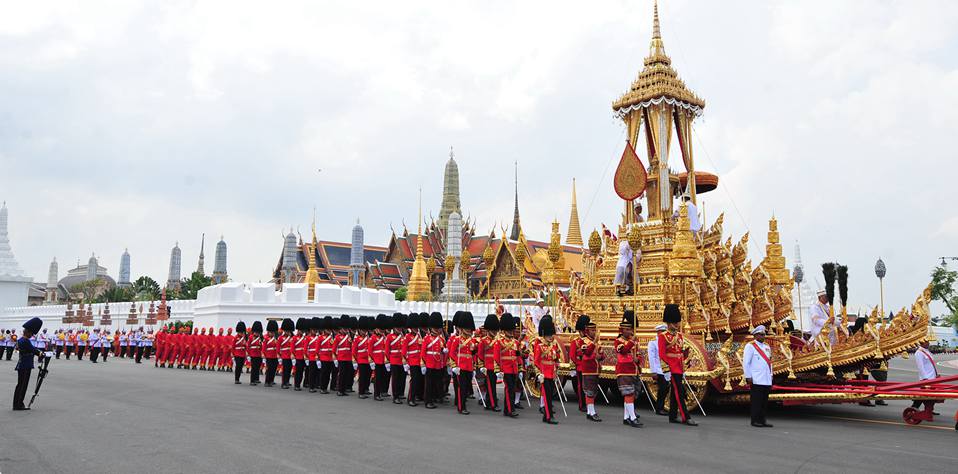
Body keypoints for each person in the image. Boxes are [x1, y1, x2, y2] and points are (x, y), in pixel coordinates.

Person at [659, 304, 697, 426]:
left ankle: (672, 415)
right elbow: (662, 354)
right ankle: (686, 416)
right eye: (675, 322)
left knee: (676, 392)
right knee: (679, 392)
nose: (677, 324)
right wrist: (667, 369)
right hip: (672, 368)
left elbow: (680, 352)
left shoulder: (679, 336)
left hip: (679, 367)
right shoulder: (663, 336)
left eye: (677, 322)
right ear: (669, 323)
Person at [615, 311, 643, 427]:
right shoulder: (618, 341)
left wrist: (638, 359)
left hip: (633, 369)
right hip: (624, 370)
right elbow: (624, 350)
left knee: (631, 393)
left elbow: (639, 353)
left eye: (630, 329)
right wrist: (632, 342)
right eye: (626, 329)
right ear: (622, 330)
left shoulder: (634, 340)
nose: (629, 331)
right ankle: (632, 417)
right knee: (629, 393)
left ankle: (626, 416)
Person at [743, 325, 773, 428]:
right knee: (757, 401)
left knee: (764, 402)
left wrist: (771, 375)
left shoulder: (767, 347)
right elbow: (746, 362)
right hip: (756, 378)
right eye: (761, 334)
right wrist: (748, 376)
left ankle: (762, 420)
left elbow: (770, 362)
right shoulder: (750, 346)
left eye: (764, 334)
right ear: (755, 335)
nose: (763, 336)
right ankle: (755, 420)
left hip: (766, 378)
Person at [449, 312, 477, 415]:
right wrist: (454, 366)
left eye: (470, 328)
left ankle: (463, 405)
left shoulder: (471, 341)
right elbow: (452, 353)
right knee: (462, 387)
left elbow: (472, 355)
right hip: (460, 367)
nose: (469, 330)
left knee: (466, 389)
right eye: (467, 328)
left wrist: (473, 367)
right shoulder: (457, 340)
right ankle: (461, 407)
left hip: (469, 367)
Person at [534, 315, 561, 425]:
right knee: (547, 396)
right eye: (549, 334)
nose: (551, 337)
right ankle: (549, 416)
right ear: (544, 334)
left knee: (550, 396)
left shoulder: (553, 346)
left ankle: (546, 416)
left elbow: (555, 360)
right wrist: (538, 374)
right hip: (544, 375)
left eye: (551, 334)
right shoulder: (540, 346)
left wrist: (556, 369)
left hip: (551, 374)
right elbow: (536, 361)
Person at [13, 318, 43, 410]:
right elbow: (33, 350)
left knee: (20, 385)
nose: (32, 335)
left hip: (22, 364)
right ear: (28, 332)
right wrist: (41, 353)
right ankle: (19, 404)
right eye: (31, 333)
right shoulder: (26, 341)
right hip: (26, 365)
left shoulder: (21, 340)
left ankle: (16, 404)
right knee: (23, 385)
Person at [495, 313, 520, 418]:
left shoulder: (515, 342)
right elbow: (496, 357)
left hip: (514, 368)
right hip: (505, 368)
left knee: (512, 389)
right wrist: (498, 370)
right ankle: (510, 409)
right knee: (509, 389)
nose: (511, 332)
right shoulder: (499, 342)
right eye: (509, 330)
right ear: (504, 330)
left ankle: (507, 409)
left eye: (512, 330)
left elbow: (517, 356)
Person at [420, 313, 446, 409]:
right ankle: (428, 400)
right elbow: (423, 352)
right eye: (437, 328)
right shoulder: (427, 338)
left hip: (438, 363)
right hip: (429, 363)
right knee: (429, 384)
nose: (439, 329)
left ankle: (435, 397)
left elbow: (442, 349)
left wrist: (444, 350)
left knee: (437, 382)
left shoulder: (441, 339)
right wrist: (423, 364)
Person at [477, 314, 500, 412]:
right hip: (487, 366)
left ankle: (488, 402)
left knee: (492, 385)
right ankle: (492, 404)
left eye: (495, 330)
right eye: (493, 330)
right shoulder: (483, 341)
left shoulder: (498, 341)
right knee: (490, 386)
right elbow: (480, 355)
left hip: (495, 366)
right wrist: (482, 366)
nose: (495, 332)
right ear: (488, 330)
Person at [648, 324, 671, 416]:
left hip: (668, 369)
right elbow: (652, 358)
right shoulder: (653, 343)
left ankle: (663, 406)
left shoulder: (668, 342)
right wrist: (653, 371)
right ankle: (659, 408)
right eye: (661, 332)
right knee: (663, 388)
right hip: (658, 369)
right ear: (658, 332)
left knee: (667, 389)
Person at [402, 313, 424, 406]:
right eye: (414, 327)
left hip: (419, 361)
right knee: (414, 380)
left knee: (418, 380)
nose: (416, 328)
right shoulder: (407, 337)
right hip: (412, 361)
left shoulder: (419, 336)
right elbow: (404, 351)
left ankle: (415, 396)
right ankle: (410, 398)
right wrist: (405, 362)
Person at [568, 315, 589, 413]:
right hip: (581, 366)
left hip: (589, 366)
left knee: (588, 386)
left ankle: (589, 403)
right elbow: (572, 355)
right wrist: (578, 363)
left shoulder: (590, 340)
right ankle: (582, 404)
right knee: (581, 386)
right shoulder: (575, 342)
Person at [911, 340, 938, 412]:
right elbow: (920, 367)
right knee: (923, 396)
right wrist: (924, 378)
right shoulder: (919, 352)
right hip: (927, 378)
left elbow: (930, 365)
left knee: (931, 396)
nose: (928, 343)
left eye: (928, 342)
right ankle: (913, 408)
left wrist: (936, 374)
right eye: (926, 342)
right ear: (921, 343)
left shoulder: (927, 351)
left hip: (932, 377)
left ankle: (929, 410)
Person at [387, 313, 406, 404]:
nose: (399, 329)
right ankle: (395, 396)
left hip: (402, 360)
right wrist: (388, 361)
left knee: (402, 378)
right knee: (395, 379)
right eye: (397, 327)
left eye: (400, 327)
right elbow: (387, 351)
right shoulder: (390, 337)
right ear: (394, 327)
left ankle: (400, 393)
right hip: (394, 360)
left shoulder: (403, 336)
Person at [334, 315, 355, 397]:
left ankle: (344, 389)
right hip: (341, 358)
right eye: (344, 329)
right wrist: (335, 359)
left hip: (348, 358)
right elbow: (334, 349)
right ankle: (339, 389)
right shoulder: (337, 337)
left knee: (346, 374)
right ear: (341, 328)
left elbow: (351, 347)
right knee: (341, 374)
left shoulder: (349, 336)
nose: (346, 330)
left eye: (347, 329)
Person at [278, 319, 294, 389]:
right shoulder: (281, 338)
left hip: (291, 356)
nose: (288, 332)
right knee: (285, 370)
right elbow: (278, 347)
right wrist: (279, 355)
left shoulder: (293, 337)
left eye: (288, 331)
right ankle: (283, 383)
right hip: (284, 355)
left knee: (289, 369)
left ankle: (287, 381)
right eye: (287, 331)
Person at [263, 320, 280, 388]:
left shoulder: (276, 338)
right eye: (271, 332)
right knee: (269, 369)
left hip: (275, 355)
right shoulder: (266, 339)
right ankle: (267, 381)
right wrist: (264, 354)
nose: (272, 333)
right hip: (269, 355)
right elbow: (264, 347)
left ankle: (271, 380)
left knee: (274, 368)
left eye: (273, 332)